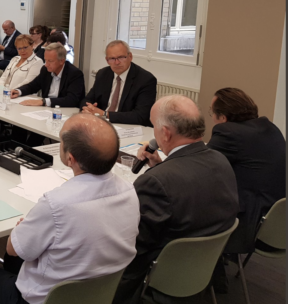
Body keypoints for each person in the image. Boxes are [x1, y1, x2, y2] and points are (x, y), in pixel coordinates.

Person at [0, 114, 140, 304]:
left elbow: (12, 248)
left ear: (70, 159)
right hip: (102, 293)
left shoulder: (56, 204)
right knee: (16, 261)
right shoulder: (129, 191)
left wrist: (23, 229)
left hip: (43, 300)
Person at [113, 95, 239, 303]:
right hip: (202, 271)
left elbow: (134, 246)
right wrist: (160, 166)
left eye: (154, 126)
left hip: (159, 278)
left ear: (165, 133)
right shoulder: (220, 160)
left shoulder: (156, 182)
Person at [207, 88, 285, 255]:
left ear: (223, 118)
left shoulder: (227, 132)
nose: (212, 118)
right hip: (277, 225)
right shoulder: (270, 128)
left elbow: (200, 167)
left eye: (212, 113)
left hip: (249, 225)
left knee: (190, 203)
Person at [80, 40, 157, 127]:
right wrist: (89, 109)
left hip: (129, 127)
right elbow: (87, 100)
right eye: (112, 59)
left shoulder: (146, 79)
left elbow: (140, 115)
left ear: (130, 57)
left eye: (121, 57)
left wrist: (105, 114)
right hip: (102, 124)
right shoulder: (103, 74)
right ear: (107, 60)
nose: (117, 62)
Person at [11, 42, 85, 108]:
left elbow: (72, 99)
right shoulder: (45, 70)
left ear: (62, 61)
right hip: (46, 109)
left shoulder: (75, 74)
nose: (46, 64)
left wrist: (43, 101)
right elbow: (33, 86)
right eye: (45, 60)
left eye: (50, 61)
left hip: (65, 111)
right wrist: (19, 91)